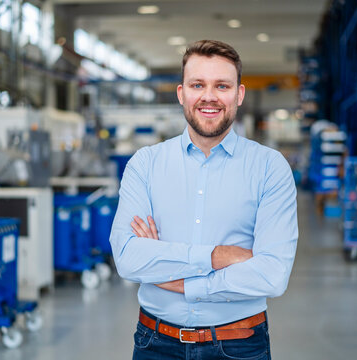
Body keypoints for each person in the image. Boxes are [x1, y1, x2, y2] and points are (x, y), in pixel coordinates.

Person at [109, 39, 298, 360]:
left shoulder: (269, 167)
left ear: (238, 94)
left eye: (221, 86)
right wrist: (218, 256)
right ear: (182, 93)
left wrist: (180, 280)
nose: (209, 96)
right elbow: (128, 258)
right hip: (154, 343)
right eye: (198, 84)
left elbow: (272, 274)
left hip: (239, 344)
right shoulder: (146, 164)